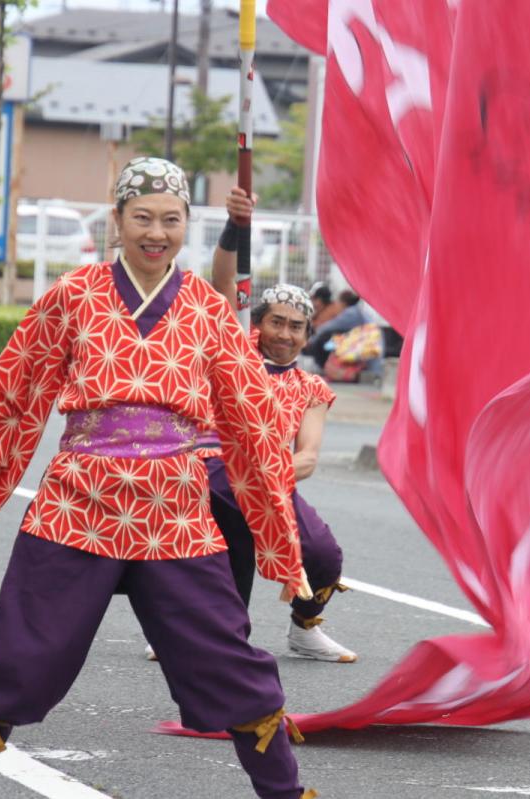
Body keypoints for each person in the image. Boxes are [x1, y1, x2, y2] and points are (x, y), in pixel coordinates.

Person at [0, 157, 316, 799]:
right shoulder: (73, 294)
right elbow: (17, 390)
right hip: (78, 503)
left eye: (171, 220)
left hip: (176, 513)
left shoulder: (210, 312)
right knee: (20, 656)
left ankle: (287, 795)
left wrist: (280, 538)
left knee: (231, 667)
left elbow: (253, 421)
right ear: (117, 221)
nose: (156, 233)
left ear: (187, 223)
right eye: (143, 218)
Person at [192, 187, 356, 664]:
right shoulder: (236, 351)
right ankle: (193, 629)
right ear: (257, 323)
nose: (284, 333)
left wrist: (265, 474)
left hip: (272, 480)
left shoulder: (312, 388)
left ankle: (304, 628)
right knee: (222, 543)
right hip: (216, 473)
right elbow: (224, 279)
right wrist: (235, 223)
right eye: (276, 322)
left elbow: (307, 456)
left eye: (296, 326)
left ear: (308, 335)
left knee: (324, 555)